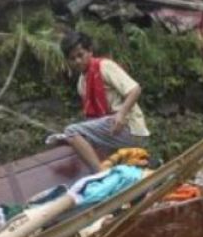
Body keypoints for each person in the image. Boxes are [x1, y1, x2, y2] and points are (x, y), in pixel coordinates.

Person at [53, 30, 150, 171]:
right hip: (109, 130)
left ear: (90, 51)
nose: (77, 61)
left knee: (71, 131)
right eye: (72, 58)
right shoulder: (81, 83)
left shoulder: (104, 66)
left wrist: (121, 114)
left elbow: (135, 89)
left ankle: (100, 173)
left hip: (128, 127)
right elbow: (91, 119)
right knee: (72, 137)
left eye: (80, 55)